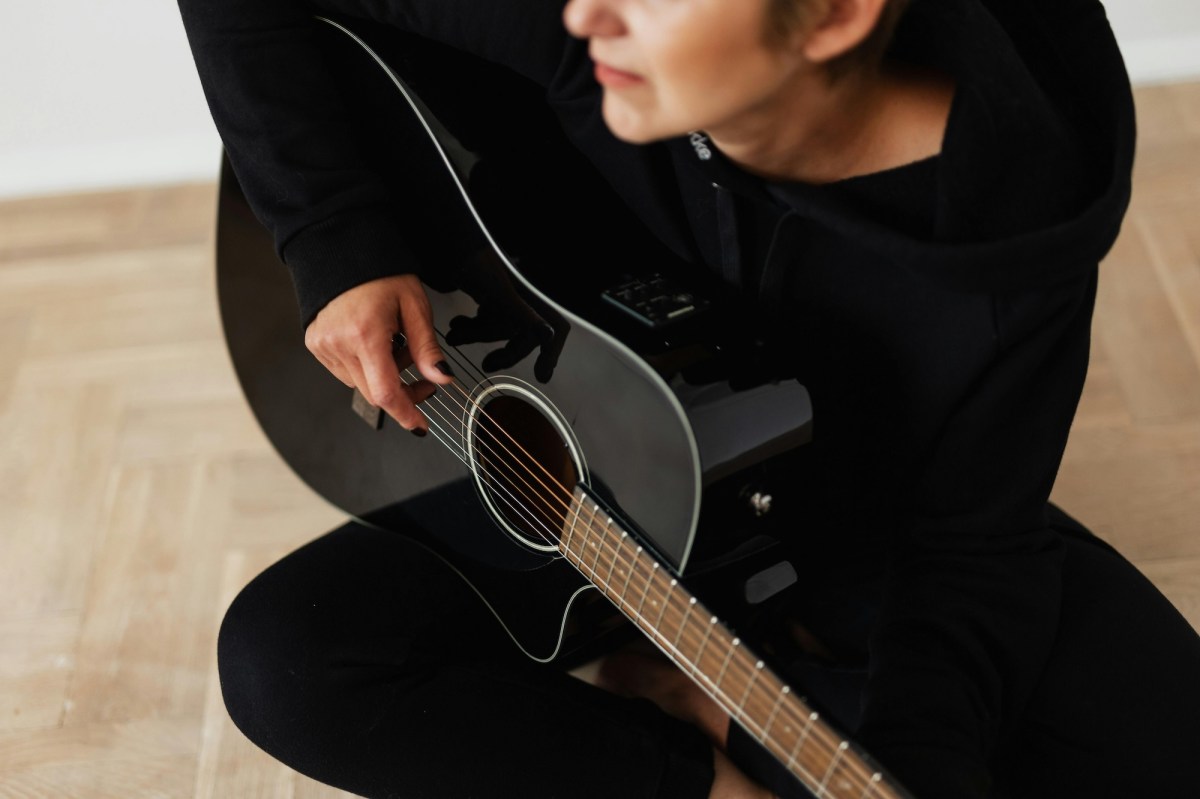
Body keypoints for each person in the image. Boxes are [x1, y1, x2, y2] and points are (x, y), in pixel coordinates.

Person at [177, 0, 1200, 797]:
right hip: (582, 425)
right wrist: (337, 239)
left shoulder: (1011, 221)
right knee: (294, 660)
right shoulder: (629, 32)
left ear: (835, 18)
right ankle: (689, 764)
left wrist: (910, 760)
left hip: (837, 503)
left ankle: (690, 687)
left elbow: (970, 547)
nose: (581, 18)